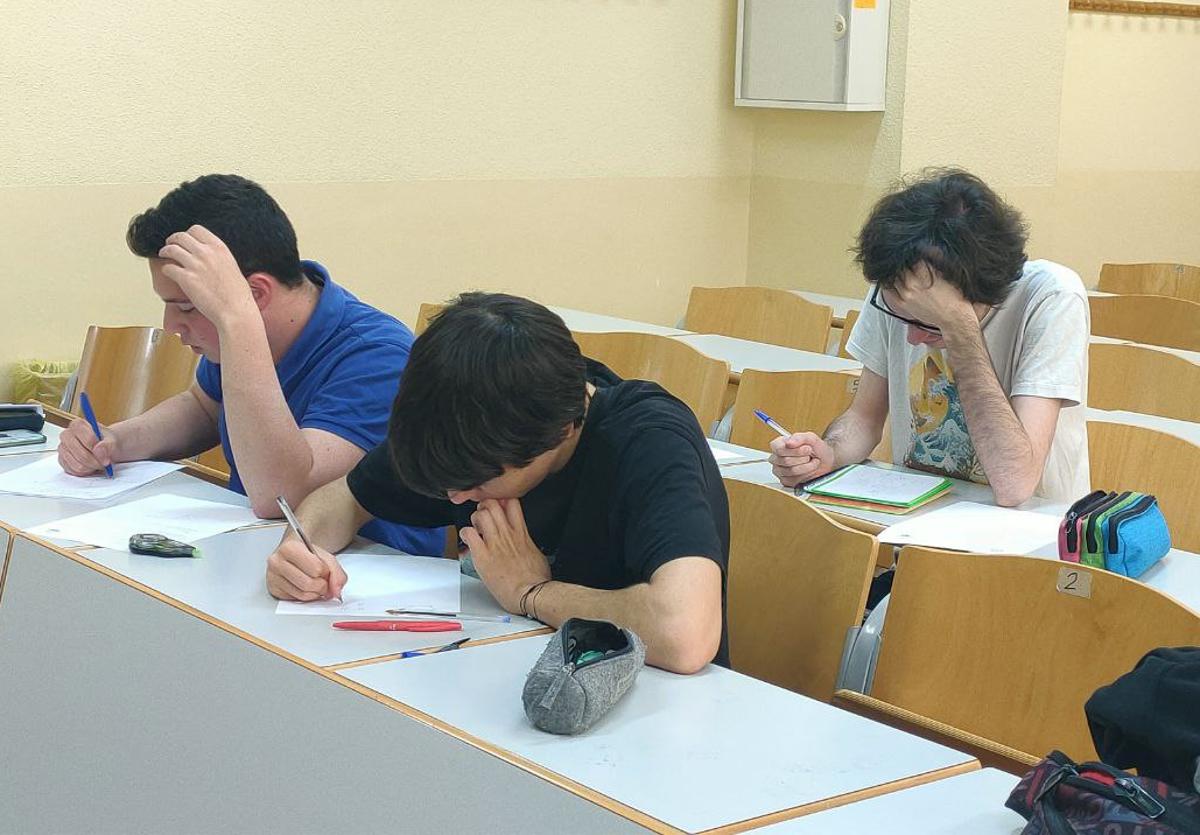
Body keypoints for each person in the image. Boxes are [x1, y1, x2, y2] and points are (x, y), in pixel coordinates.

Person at [264, 293, 728, 674]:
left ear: (562, 431)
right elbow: (344, 497)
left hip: (652, 713)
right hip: (505, 678)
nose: (456, 497)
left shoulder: (647, 440)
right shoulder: (465, 418)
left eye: (476, 483)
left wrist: (531, 592)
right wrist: (301, 551)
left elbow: (685, 633)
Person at [57, 174, 442, 555]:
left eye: (188, 307)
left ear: (255, 293)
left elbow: (282, 497)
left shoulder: (379, 355)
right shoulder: (241, 335)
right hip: (259, 553)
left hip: (366, 576)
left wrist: (237, 321)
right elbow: (204, 408)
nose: (171, 326)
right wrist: (119, 441)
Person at [771, 168, 1090, 506]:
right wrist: (827, 454)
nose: (910, 337)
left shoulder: (1052, 297)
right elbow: (864, 418)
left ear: (982, 293)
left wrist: (959, 329)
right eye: (902, 316)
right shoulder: (900, 287)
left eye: (928, 323)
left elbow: (1015, 484)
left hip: (1028, 536)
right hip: (913, 519)